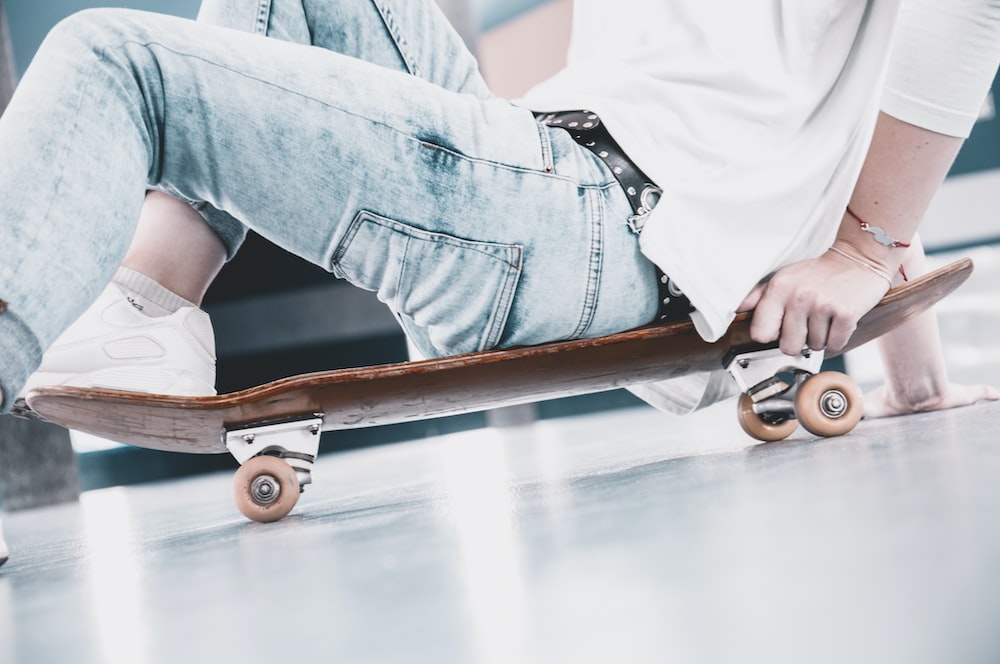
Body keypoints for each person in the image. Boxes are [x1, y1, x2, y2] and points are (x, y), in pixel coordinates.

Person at [1, 0, 998, 567]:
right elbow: (820, 103)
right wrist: (900, 340)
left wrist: (868, 253)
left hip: (599, 218)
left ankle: (146, 308)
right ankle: (153, 301)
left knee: (111, 57)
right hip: (555, 179)